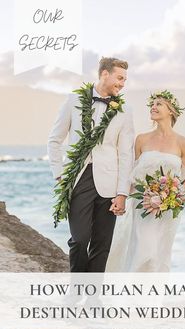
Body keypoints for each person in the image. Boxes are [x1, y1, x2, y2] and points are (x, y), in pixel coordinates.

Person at [47, 57, 134, 272]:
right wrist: (59, 176)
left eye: (125, 79)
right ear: (105, 73)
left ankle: (93, 295)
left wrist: (122, 192)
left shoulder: (125, 111)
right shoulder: (73, 100)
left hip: (109, 183)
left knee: (102, 243)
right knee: (79, 239)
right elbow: (54, 140)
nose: (122, 84)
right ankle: (77, 289)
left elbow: (125, 154)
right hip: (78, 179)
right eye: (119, 78)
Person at [106, 90, 185, 272]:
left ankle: (154, 296)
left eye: (158, 104)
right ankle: (133, 295)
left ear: (171, 111)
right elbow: (133, 174)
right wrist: (121, 197)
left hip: (169, 208)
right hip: (142, 205)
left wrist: (171, 198)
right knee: (143, 249)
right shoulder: (142, 139)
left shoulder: (184, 143)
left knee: (159, 253)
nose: (153, 107)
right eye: (152, 105)